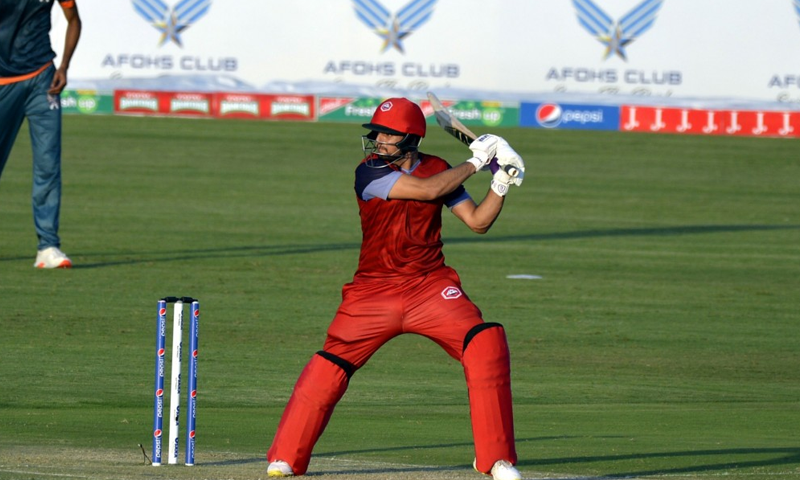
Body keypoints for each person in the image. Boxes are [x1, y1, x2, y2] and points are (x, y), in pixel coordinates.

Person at [266, 98, 526, 480]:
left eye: (389, 134)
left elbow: (478, 221)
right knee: (330, 363)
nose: (380, 140)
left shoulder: (440, 168)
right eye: (378, 133)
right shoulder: (369, 171)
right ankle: (286, 457)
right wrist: (476, 161)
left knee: (485, 344)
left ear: (411, 139)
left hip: (429, 287)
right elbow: (427, 191)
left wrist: (501, 182)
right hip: (373, 291)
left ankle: (496, 458)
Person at [0, 0, 82, 268]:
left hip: (43, 80)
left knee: (48, 165)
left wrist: (64, 66)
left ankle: (47, 246)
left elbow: (73, 20)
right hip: (3, 83)